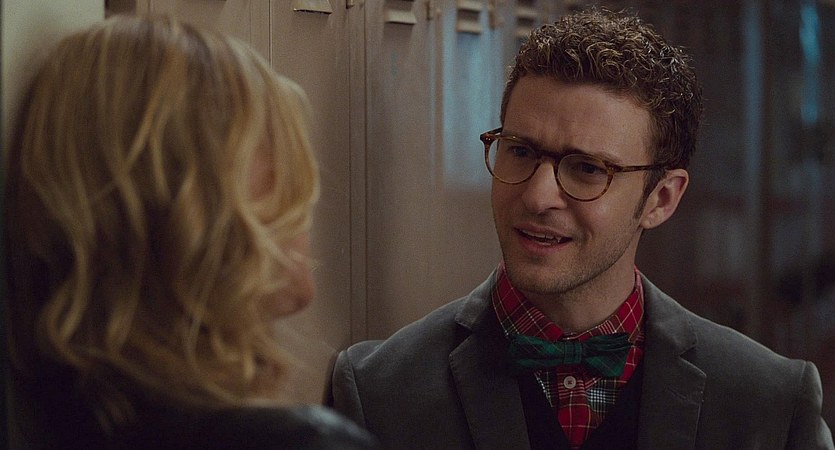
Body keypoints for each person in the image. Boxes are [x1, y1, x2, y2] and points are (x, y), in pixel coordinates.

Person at [329, 8, 834, 450]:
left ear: (661, 199)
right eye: (520, 151)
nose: (537, 196)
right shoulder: (379, 392)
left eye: (588, 169)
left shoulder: (769, 402)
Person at [4, 15, 377, 449]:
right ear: (185, 199)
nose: (299, 186)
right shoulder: (305, 443)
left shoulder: (56, 419)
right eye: (271, 148)